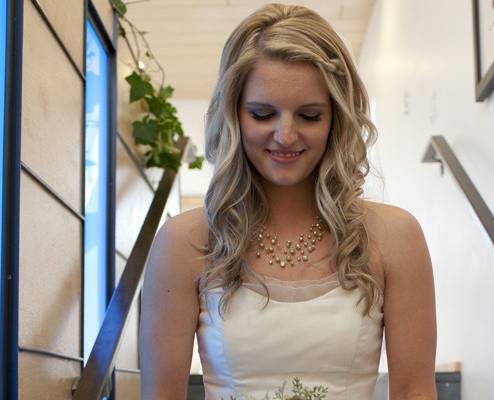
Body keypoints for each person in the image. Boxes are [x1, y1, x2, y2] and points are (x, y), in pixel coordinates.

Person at [140, 3, 437, 399]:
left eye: (310, 116)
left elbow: (415, 391)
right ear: (233, 115)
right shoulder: (184, 242)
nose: (285, 136)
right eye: (262, 114)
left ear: (337, 118)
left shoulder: (395, 237)